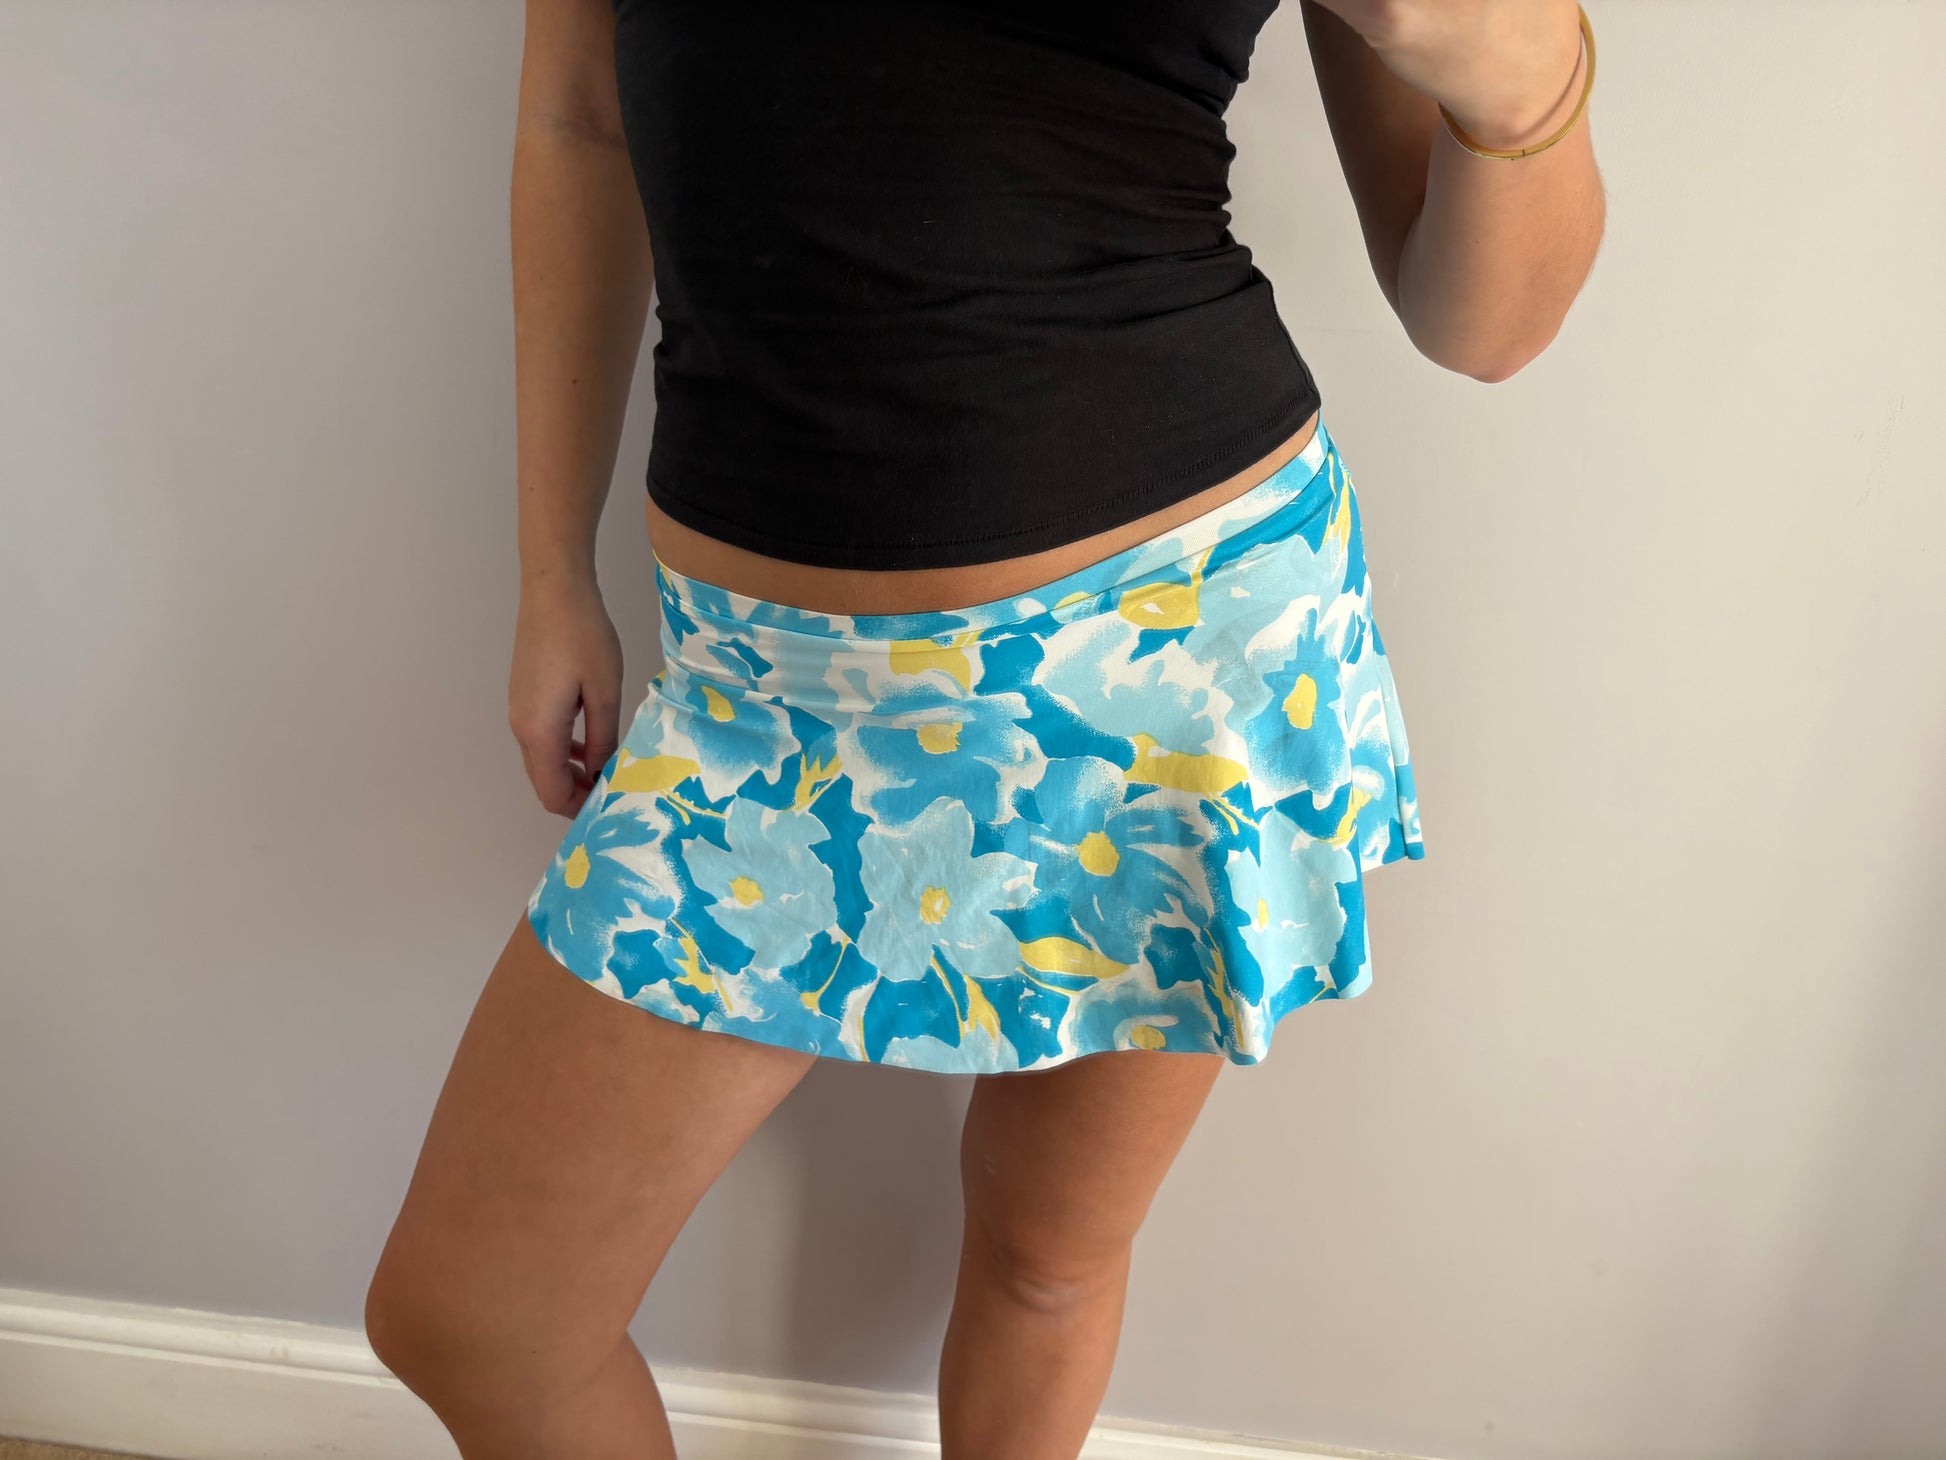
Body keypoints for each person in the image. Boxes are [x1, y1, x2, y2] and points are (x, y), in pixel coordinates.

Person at [364, 1, 1604, 1454]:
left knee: (1047, 1259)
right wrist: (549, 572)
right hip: (756, 689)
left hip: (1168, 652)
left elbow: (1486, 327)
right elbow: (579, 117)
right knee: (481, 1319)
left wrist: (1513, 61)